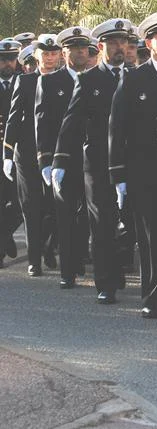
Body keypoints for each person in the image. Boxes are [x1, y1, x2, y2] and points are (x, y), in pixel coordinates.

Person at [53, 19, 133, 305]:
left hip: (133, 163)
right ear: (101, 47)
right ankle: (106, 283)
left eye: (123, 42)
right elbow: (71, 122)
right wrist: (59, 161)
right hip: (97, 164)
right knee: (102, 225)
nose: (119, 47)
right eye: (112, 43)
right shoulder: (89, 80)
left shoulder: (137, 77)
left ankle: (117, 267)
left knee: (131, 224)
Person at [109, 11, 157, 318]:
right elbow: (118, 128)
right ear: (149, 43)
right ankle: (151, 295)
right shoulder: (134, 79)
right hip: (145, 171)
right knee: (149, 236)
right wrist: (119, 175)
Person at [36, 27, 90, 288]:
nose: (80, 53)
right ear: (64, 53)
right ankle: (67, 271)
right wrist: (45, 160)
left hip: (92, 158)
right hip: (63, 160)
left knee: (87, 217)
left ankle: (79, 256)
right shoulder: (50, 82)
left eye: (83, 48)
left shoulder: (95, 80)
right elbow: (43, 124)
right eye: (74, 49)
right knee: (65, 216)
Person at [5, 37, 61, 275]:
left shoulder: (67, 80)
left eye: (53, 54)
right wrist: (7, 153)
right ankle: (34, 260)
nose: (49, 58)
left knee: (55, 206)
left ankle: (49, 246)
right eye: (45, 54)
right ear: (36, 56)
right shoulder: (25, 81)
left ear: (59, 55)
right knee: (31, 207)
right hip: (27, 153)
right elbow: (14, 117)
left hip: (56, 152)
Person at [0, 39, 23, 266]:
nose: (7, 63)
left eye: (11, 59)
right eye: (3, 59)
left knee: (18, 203)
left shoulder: (23, 82)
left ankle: (4, 234)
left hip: (16, 152)